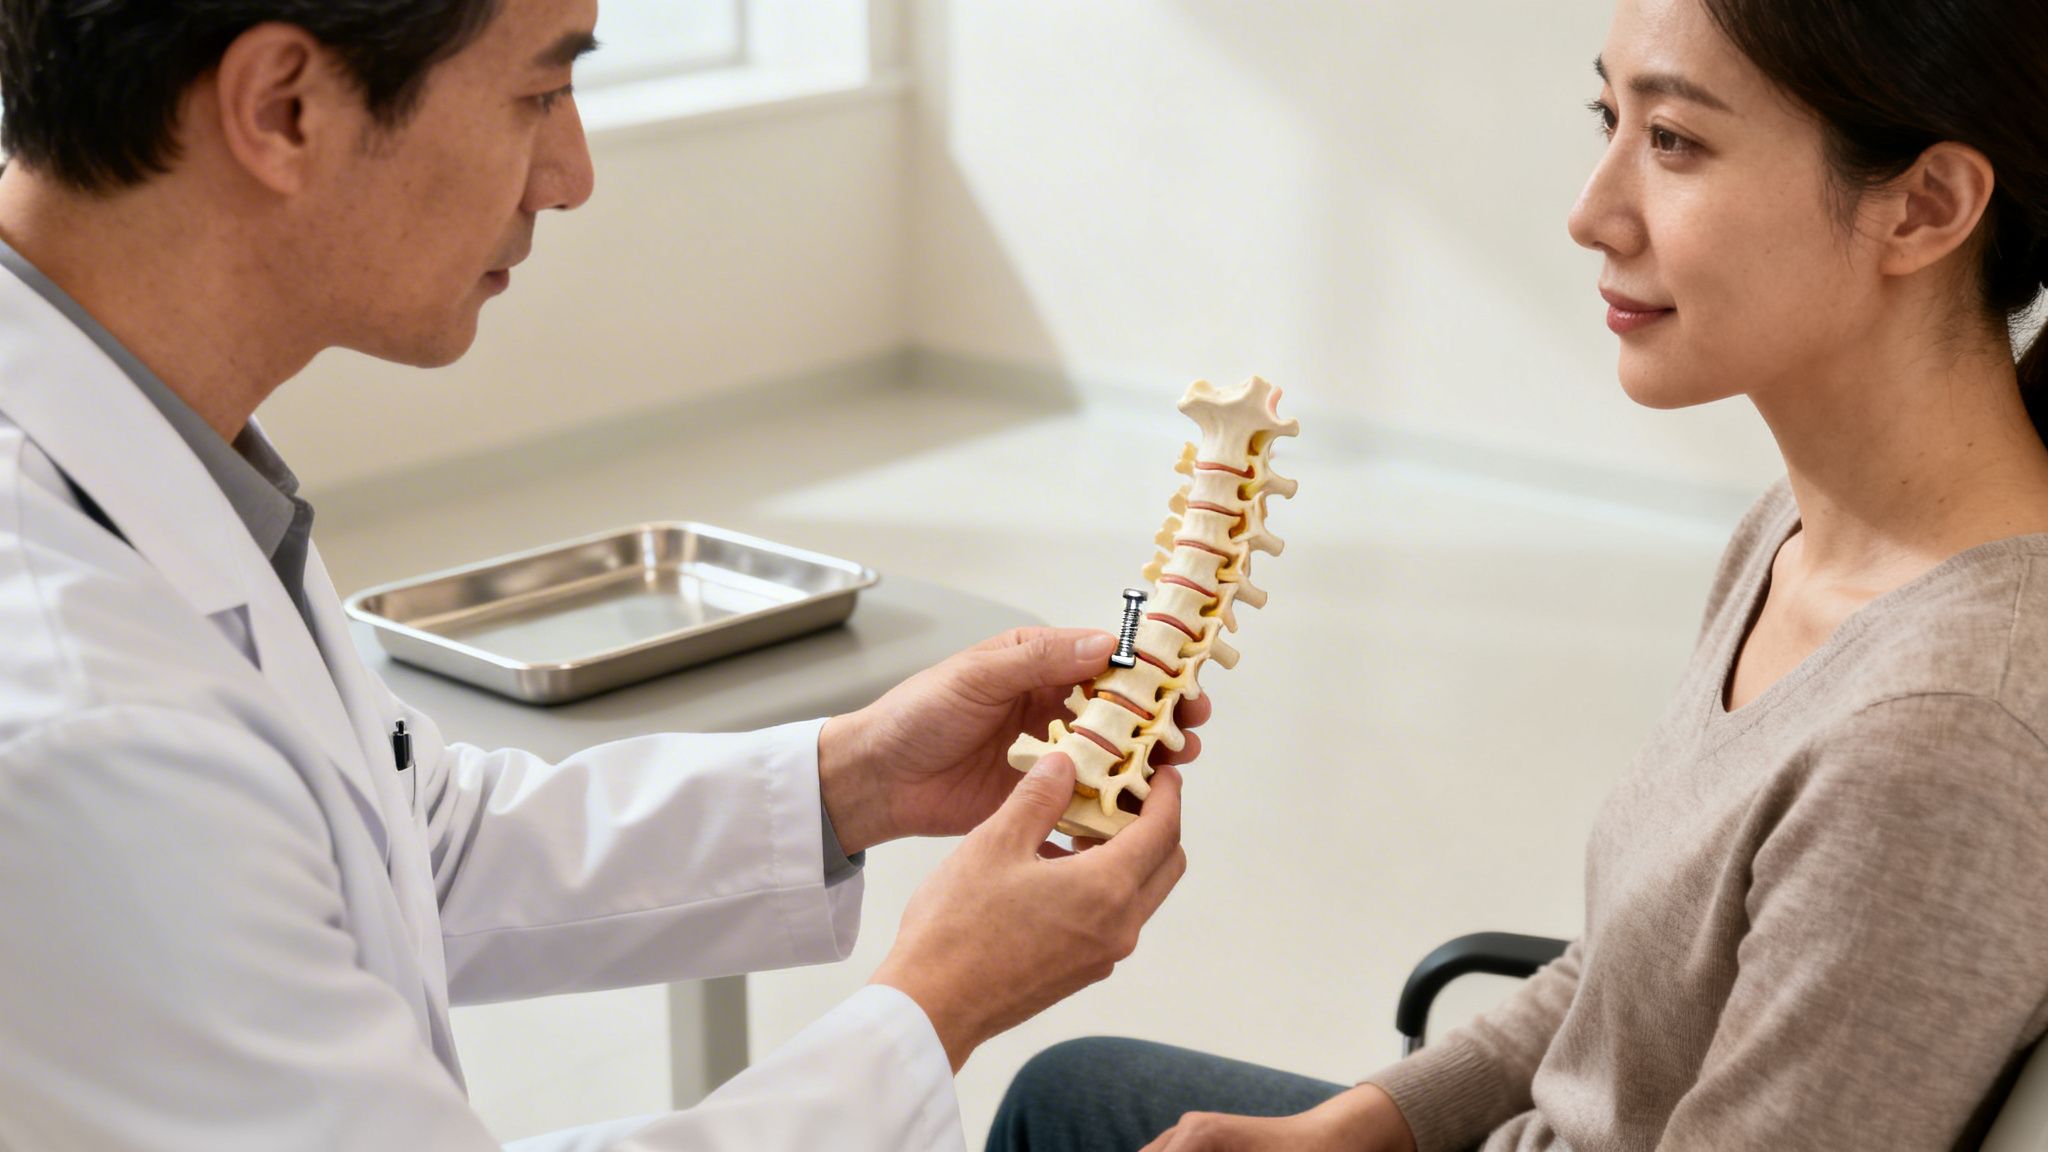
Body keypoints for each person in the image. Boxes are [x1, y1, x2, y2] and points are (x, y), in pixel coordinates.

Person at [0, 1, 1196, 1148]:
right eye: (538, 90)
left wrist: (856, 780)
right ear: (284, 108)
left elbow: (408, 847)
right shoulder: (88, 723)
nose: (571, 172)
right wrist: (936, 1002)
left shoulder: (154, 469)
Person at [990, 0, 2048, 1148]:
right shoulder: (1796, 539)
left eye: (1674, 141)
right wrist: (1360, 1127)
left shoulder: (1940, 739)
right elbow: (1621, 987)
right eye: (1608, 116)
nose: (1590, 212)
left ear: (1924, 206)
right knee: (1074, 1090)